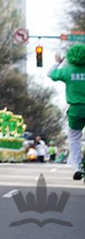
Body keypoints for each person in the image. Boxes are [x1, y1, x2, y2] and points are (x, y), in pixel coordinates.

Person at [47, 45, 85, 177]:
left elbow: (50, 74)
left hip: (75, 110)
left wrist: (57, 62)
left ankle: (78, 166)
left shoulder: (68, 71)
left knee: (75, 138)